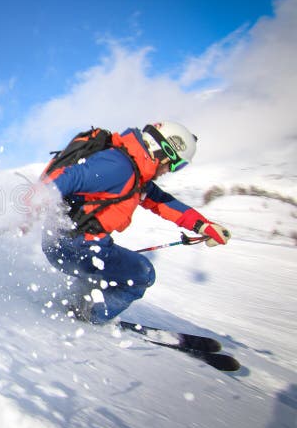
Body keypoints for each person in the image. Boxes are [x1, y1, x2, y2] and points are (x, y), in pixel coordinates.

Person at [36, 121, 231, 324]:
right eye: (176, 164)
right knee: (142, 274)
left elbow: (163, 202)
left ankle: (76, 303)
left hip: (64, 244)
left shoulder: (135, 173)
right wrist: (33, 203)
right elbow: (70, 178)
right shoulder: (120, 167)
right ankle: (90, 318)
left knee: (106, 266)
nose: (171, 170)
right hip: (75, 246)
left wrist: (203, 225)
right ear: (163, 150)